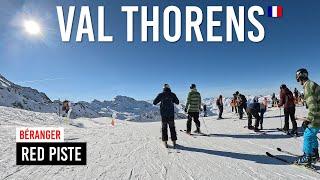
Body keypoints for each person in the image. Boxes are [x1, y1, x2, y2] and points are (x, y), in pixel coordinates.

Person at [295, 68, 320, 165]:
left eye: (297, 78)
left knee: (307, 136)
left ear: (299, 77)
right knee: (312, 136)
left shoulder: (308, 86)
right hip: (318, 116)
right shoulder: (312, 84)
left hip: (316, 117)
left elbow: (313, 105)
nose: (298, 81)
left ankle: (307, 157)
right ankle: (314, 154)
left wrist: (308, 120)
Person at [153, 84, 180, 148]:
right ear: (169, 88)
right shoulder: (173, 94)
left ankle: (165, 142)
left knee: (164, 128)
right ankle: (174, 142)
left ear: (163, 88)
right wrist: (172, 100)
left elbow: (154, 102)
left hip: (164, 115)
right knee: (172, 128)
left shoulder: (160, 95)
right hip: (171, 114)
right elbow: (177, 102)